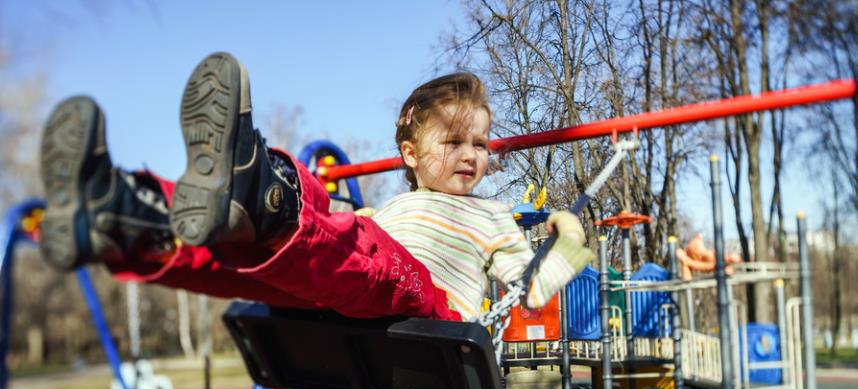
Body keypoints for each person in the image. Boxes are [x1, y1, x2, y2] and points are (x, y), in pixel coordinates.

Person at [38, 52, 593, 323]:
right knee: (261, 261)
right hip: (346, 307)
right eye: (454, 142)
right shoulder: (399, 207)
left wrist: (565, 241)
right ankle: (129, 220)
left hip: (431, 314)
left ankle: (268, 197)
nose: (472, 154)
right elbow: (355, 253)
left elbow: (532, 293)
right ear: (410, 155)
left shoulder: (493, 216)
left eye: (481, 143)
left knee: (349, 240)